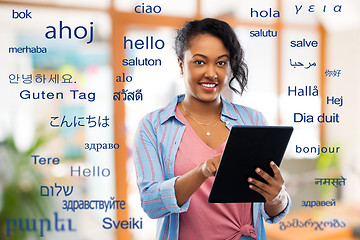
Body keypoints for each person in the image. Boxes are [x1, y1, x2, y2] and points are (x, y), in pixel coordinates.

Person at [133, 18, 290, 240]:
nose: (211, 73)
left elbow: (270, 211)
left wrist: (277, 197)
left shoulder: (254, 119)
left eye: (221, 63)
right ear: (181, 64)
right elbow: (151, 204)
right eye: (199, 62)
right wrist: (202, 171)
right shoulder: (153, 126)